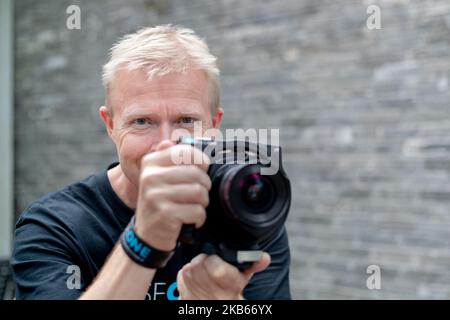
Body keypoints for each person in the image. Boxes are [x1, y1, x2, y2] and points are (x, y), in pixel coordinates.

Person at [11, 25, 291, 300]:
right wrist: (141, 241)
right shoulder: (55, 226)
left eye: (186, 121)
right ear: (110, 125)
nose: (166, 144)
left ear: (214, 124)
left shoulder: (247, 209)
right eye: (142, 121)